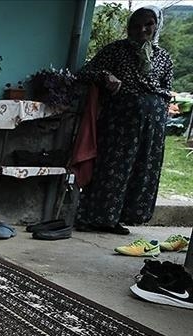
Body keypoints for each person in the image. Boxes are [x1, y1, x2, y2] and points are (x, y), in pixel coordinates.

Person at [75, 6, 174, 235]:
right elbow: (85, 73)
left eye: (148, 24)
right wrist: (106, 76)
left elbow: (167, 90)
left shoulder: (163, 57)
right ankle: (98, 217)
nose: (142, 30)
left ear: (156, 25)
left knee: (141, 169)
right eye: (136, 25)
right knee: (114, 167)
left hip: (152, 125)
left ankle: (119, 218)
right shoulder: (116, 50)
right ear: (129, 28)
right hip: (120, 123)